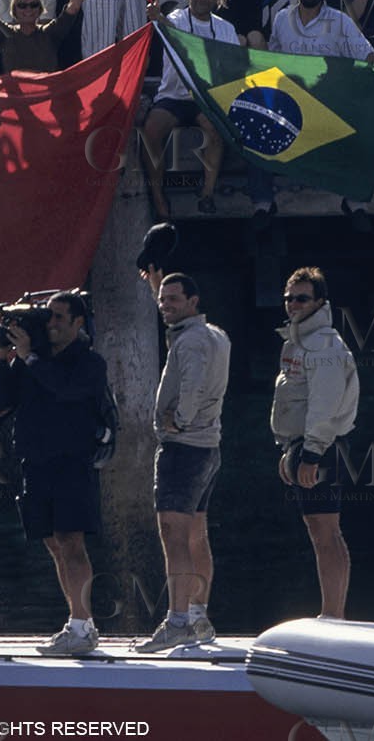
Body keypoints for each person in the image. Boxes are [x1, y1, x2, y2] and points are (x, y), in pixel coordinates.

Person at [0, 292, 116, 657]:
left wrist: (29, 356)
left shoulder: (89, 362)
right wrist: (0, 353)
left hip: (72, 462)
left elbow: (66, 389)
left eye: (58, 317)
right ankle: (77, 622)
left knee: (71, 541)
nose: (51, 324)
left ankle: (82, 625)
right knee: (54, 544)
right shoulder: (32, 358)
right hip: (35, 462)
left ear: (77, 322)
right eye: (48, 317)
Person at [133, 270, 231, 652]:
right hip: (208, 448)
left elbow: (193, 383)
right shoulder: (214, 335)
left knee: (173, 535)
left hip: (183, 448)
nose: (165, 305)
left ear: (194, 301)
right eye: (162, 300)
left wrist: (181, 419)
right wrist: (158, 289)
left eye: (173, 299)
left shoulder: (190, 341)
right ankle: (197, 616)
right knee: (196, 535)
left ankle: (177, 622)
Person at [257, 0, 374, 226]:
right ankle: (262, 205)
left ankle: (355, 204)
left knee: (362, 131)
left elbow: (366, 53)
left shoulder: (340, 20)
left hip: (330, 103)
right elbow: (273, 57)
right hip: (291, 103)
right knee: (258, 128)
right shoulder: (281, 18)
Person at [273, 267, 359, 619]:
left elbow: (324, 404)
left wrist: (310, 453)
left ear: (320, 302)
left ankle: (333, 614)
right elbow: (295, 403)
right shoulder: (299, 341)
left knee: (326, 532)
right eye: (289, 298)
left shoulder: (323, 344)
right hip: (304, 445)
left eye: (302, 298)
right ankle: (333, 613)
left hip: (321, 448)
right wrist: (289, 450)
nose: (293, 304)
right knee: (321, 531)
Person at [142, 0, 239, 220]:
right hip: (173, 96)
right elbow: (174, 33)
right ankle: (158, 197)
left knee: (216, 130)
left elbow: (233, 67)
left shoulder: (226, 28)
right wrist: (158, 18)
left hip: (205, 98)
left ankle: (207, 194)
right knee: (151, 131)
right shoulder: (175, 18)